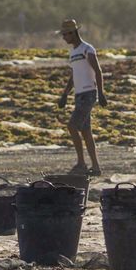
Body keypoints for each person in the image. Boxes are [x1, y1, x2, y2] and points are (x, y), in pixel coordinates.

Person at [57, 18, 105, 176]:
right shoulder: (73, 52)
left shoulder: (87, 49)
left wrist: (101, 93)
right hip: (79, 95)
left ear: (73, 33)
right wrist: (65, 94)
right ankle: (96, 167)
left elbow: (98, 71)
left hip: (89, 94)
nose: (64, 37)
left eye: (65, 34)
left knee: (72, 126)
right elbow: (74, 75)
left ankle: (81, 163)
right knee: (85, 132)